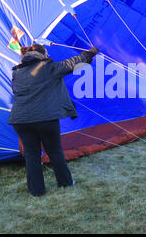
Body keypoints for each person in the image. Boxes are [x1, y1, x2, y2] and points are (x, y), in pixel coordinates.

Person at [8, 43, 99, 197]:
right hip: (45, 119)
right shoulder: (48, 68)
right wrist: (90, 53)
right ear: (43, 55)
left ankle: (36, 191)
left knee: (31, 155)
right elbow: (73, 63)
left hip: (20, 120)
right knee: (55, 151)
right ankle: (65, 182)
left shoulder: (17, 72)